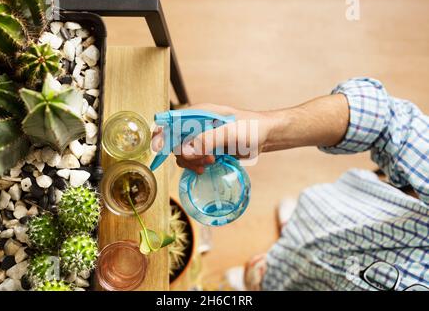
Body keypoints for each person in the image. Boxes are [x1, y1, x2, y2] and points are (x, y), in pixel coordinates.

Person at [153, 77, 429, 290]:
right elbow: (384, 120)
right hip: (340, 216)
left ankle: (260, 279)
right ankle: (288, 233)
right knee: (307, 214)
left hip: (300, 282)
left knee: (264, 278)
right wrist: (268, 128)